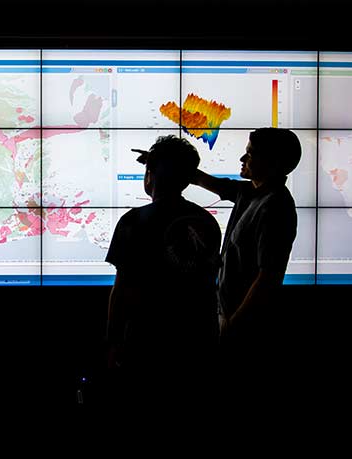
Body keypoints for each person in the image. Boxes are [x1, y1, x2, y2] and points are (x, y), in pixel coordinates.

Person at [103, 134, 221, 455]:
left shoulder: (134, 221)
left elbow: (123, 289)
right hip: (196, 341)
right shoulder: (205, 222)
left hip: (146, 342)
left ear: (150, 174)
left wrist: (113, 342)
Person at [190, 127, 302, 457]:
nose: (243, 158)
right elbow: (215, 185)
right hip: (233, 323)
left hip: (247, 331)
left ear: (274, 162)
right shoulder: (252, 194)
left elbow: (268, 278)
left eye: (250, 153)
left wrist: (233, 324)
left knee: (241, 410)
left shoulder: (275, 208)